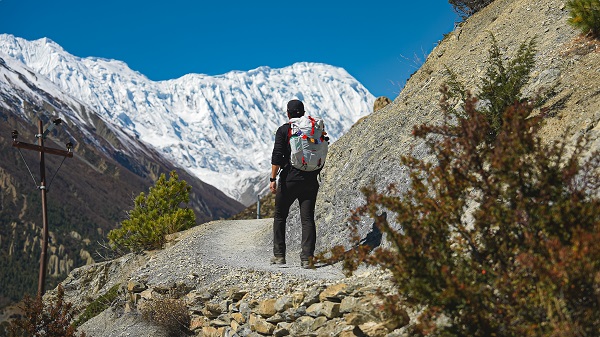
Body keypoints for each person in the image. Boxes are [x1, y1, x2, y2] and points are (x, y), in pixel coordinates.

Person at [269, 99, 321, 269]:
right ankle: (307, 259)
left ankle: (279, 255)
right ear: (304, 112)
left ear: (288, 113)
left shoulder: (285, 130)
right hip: (311, 179)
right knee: (307, 219)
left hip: (289, 179)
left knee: (280, 216)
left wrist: (273, 179)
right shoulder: (313, 129)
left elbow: (277, 156)